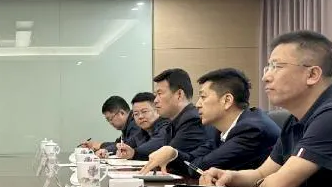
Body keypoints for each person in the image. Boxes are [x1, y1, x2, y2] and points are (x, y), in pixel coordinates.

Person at [201, 31, 332, 187]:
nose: (266, 77)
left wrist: (262, 181)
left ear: (312, 74)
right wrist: (230, 176)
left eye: (277, 67)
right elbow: (262, 173)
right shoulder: (295, 119)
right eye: (268, 67)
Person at [141, 68, 279, 175]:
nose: (198, 104)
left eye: (203, 97)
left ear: (227, 100)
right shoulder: (219, 130)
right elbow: (192, 159)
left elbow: (201, 167)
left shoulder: (252, 129)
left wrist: (178, 157)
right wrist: (173, 153)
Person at [118, 68, 213, 165]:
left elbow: (168, 160)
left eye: (160, 94)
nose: (155, 100)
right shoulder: (174, 121)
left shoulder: (191, 120)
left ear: (179, 94)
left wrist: (135, 153)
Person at [108, 92, 170, 160]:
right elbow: (126, 144)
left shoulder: (166, 126)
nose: (140, 117)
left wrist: (134, 153)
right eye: (136, 114)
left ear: (157, 110)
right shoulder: (142, 132)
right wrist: (106, 151)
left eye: (144, 111)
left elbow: (156, 144)